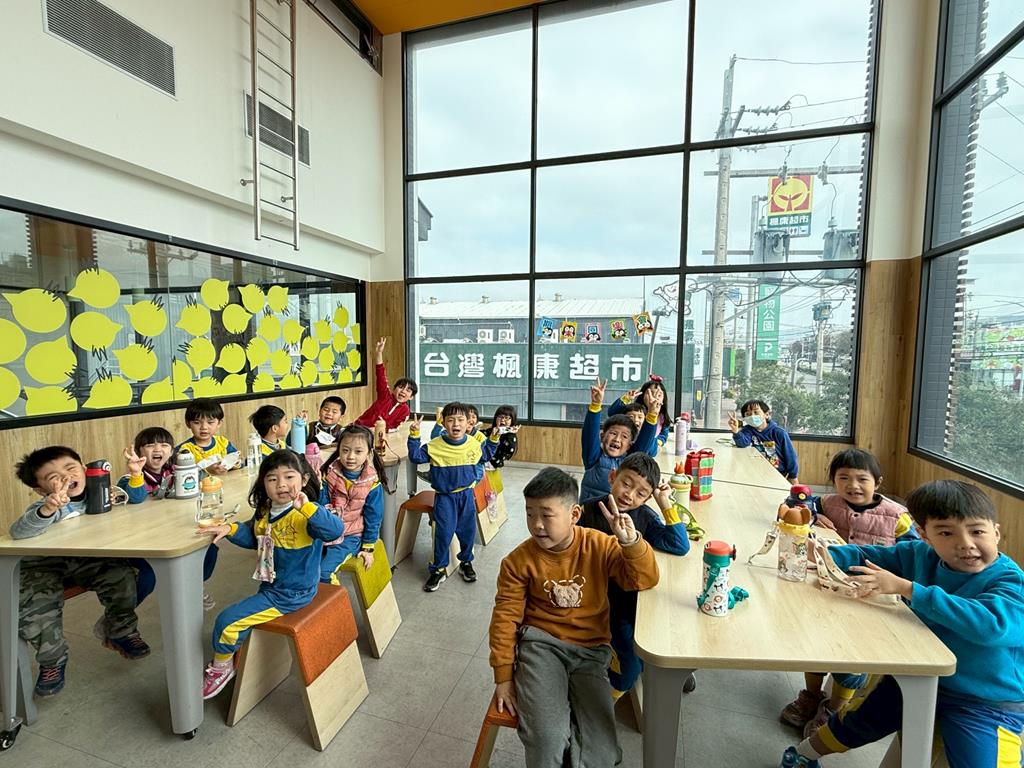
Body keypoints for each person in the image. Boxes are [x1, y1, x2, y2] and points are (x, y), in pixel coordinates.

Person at [781, 480, 1024, 768]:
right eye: (946, 532)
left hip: (986, 701)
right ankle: (803, 754)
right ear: (925, 535)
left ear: (996, 532)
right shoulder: (919, 554)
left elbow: (993, 626)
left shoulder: (1009, 579)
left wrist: (908, 589)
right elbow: (865, 556)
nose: (966, 544)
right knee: (855, 722)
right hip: (919, 675)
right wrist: (819, 553)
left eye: (977, 531)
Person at [489, 468, 659, 767]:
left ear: (574, 514)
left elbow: (644, 579)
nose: (537, 524)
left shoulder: (599, 544)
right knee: (547, 738)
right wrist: (503, 677)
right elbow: (505, 618)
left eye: (546, 515)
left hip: (591, 652)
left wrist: (631, 543)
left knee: (603, 751)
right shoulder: (517, 562)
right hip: (541, 649)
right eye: (530, 514)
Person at [779, 448, 919, 735]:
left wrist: (899, 583)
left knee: (853, 656)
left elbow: (914, 555)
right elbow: (796, 504)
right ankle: (811, 694)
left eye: (862, 479)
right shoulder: (827, 503)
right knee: (815, 643)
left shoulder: (897, 516)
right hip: (826, 588)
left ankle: (835, 708)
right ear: (833, 480)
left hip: (870, 598)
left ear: (877, 482)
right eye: (844, 478)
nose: (853, 485)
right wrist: (814, 516)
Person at [196, 449, 343, 699]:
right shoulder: (266, 510)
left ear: (304, 480)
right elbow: (255, 537)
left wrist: (308, 509)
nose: (281, 485)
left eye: (289, 477)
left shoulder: (307, 514)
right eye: (272, 479)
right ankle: (237, 657)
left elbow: (335, 531)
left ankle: (221, 668)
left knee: (225, 623)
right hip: (272, 585)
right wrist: (231, 529)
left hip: (292, 594)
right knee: (241, 618)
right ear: (263, 483)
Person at [11, 446, 151, 696]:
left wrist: (134, 477)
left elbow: (134, 501)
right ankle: (52, 661)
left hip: (88, 560)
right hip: (43, 566)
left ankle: (121, 631)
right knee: (37, 608)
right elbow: (19, 531)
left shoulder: (101, 494)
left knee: (122, 576)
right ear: (41, 490)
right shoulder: (47, 505)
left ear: (84, 469)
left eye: (70, 468)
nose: (66, 477)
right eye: (54, 477)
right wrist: (47, 509)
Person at [577, 452, 690, 698]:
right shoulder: (587, 509)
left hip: (631, 600)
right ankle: (613, 694)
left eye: (641, 493)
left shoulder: (645, 517)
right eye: (626, 483)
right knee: (629, 660)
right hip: (598, 602)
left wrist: (664, 503)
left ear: (648, 498)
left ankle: (659, 669)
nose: (629, 494)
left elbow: (680, 545)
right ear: (612, 477)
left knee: (655, 637)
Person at [119, 427, 219, 609]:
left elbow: (199, 481)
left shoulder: (175, 470)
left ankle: (195, 585)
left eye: (164, 445)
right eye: (150, 445)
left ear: (172, 451)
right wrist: (136, 473)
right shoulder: (130, 478)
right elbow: (136, 498)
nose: (158, 449)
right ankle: (121, 613)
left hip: (173, 530)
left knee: (209, 547)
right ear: (140, 451)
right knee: (149, 574)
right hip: (143, 539)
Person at [407, 403, 499, 592]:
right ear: (443, 423)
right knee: (443, 533)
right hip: (445, 498)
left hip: (466, 495)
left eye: (460, 420)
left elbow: (486, 455)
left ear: (468, 423)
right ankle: (438, 569)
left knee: (468, 532)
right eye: (450, 420)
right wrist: (414, 434)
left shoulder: (474, 444)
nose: (455, 424)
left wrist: (494, 438)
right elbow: (416, 457)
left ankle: (466, 562)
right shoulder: (434, 446)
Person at [318, 425, 390, 584]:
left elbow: (374, 518)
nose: (350, 456)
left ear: (369, 453)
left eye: (358, 452)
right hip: (326, 532)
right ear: (338, 450)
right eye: (345, 450)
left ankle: (333, 598)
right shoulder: (329, 473)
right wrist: (319, 487)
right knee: (303, 566)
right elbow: (321, 506)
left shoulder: (372, 483)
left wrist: (368, 548)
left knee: (323, 573)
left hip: (350, 536)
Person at [580, 377, 657, 503]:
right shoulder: (593, 458)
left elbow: (643, 445)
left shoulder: (630, 462)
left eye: (624, 436)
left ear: (630, 445)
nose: (617, 439)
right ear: (602, 436)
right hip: (590, 513)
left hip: (619, 513)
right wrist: (595, 405)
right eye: (613, 433)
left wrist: (652, 414)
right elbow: (589, 434)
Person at [354, 337, 416, 441]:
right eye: (401, 387)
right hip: (358, 429)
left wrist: (378, 429)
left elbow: (395, 427)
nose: (403, 391)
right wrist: (379, 353)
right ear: (394, 389)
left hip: (377, 436)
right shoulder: (385, 396)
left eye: (408, 390)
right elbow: (380, 375)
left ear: (411, 397)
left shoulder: (405, 411)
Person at [727, 398, 798, 483]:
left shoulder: (779, 433)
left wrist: (793, 475)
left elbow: (790, 456)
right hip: (755, 472)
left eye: (756, 412)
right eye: (748, 414)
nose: (752, 416)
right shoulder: (747, 430)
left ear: (766, 415)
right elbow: (743, 443)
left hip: (777, 473)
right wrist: (736, 431)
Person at [609, 376, 670, 454]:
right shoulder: (635, 410)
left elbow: (664, 434)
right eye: (651, 393)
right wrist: (626, 399)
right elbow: (612, 413)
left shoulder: (662, 416)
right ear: (642, 395)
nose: (654, 397)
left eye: (659, 395)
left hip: (651, 448)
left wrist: (658, 442)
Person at [177, 398, 239, 474]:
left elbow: (237, 459)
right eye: (197, 422)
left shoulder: (223, 443)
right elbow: (184, 475)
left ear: (219, 423)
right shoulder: (184, 450)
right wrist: (207, 471)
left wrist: (235, 464)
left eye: (210, 422)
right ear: (188, 423)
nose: (204, 427)